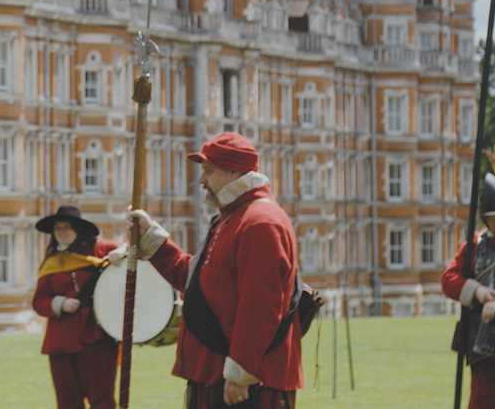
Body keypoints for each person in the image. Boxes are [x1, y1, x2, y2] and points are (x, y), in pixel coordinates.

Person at [119, 132, 302, 408]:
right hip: (215, 375)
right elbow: (197, 283)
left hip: (247, 385)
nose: (202, 181)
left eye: (209, 171)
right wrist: (152, 237)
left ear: (233, 172)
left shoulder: (260, 222)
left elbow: (261, 307)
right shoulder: (234, 218)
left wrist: (241, 373)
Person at [441, 174, 495, 409]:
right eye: (494, 219)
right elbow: (449, 279)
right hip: (483, 344)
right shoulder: (475, 243)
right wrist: (477, 291)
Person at [32, 205, 118, 409]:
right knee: (67, 403)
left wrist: (120, 255)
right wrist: (59, 304)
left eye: (66, 227)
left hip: (96, 338)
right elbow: (39, 301)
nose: (61, 232)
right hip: (60, 343)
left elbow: (129, 251)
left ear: (78, 230)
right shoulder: (51, 262)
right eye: (58, 228)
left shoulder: (100, 250)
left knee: (102, 400)